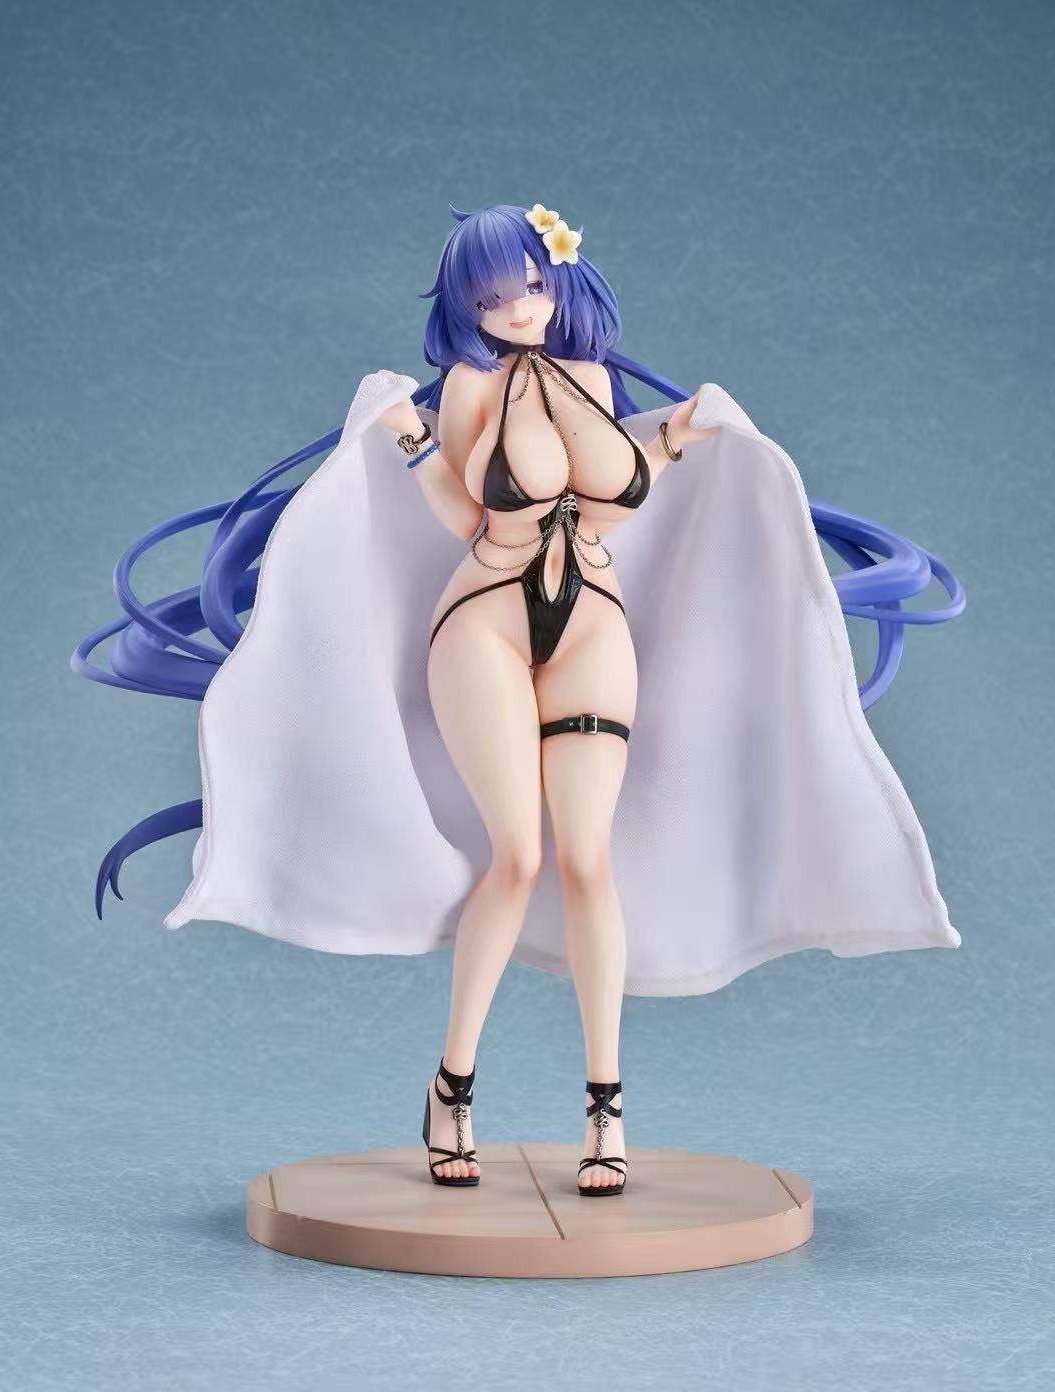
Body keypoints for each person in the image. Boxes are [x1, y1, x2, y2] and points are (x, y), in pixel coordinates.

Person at [74, 201, 965, 1201]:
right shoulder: (470, 386)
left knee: (588, 858)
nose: (516, 308)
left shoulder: (593, 378)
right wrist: (408, 436)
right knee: (518, 856)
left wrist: (680, 434)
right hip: (485, 620)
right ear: (466, 307)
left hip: (594, 623)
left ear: (560, 275)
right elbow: (465, 512)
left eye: (531, 285)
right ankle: (451, 1086)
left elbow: (617, 502)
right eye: (491, 296)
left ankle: (606, 1108)